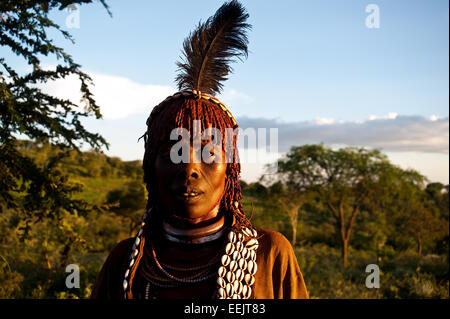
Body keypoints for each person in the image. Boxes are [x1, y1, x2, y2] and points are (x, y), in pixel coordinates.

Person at [91, 0, 308, 300]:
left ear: (230, 170)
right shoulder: (124, 263)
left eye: (208, 154)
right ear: (150, 169)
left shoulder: (270, 255)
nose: (189, 168)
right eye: (171, 153)